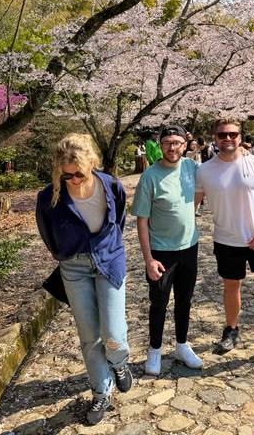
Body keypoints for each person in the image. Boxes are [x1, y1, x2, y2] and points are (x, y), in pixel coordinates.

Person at [36, 133, 132, 426]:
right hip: (74, 267)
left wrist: (108, 248)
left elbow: (119, 219)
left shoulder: (111, 185)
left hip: (109, 261)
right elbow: (47, 233)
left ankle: (118, 364)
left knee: (113, 333)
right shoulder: (49, 196)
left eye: (79, 173)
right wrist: (65, 253)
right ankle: (101, 390)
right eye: (67, 176)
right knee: (90, 336)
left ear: (92, 164)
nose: (74, 180)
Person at [195, 118, 254, 373]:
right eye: (222, 135)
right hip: (226, 240)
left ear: (240, 136)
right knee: (231, 287)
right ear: (215, 137)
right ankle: (231, 329)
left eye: (232, 134)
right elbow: (193, 203)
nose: (227, 139)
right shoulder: (205, 170)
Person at [132, 124, 202, 376]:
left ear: (185, 145)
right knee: (159, 303)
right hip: (161, 251)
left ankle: (182, 345)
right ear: (160, 145)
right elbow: (141, 220)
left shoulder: (192, 167)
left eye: (177, 143)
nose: (172, 147)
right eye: (167, 143)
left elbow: (214, 179)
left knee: (184, 299)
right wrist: (148, 259)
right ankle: (155, 350)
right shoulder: (150, 176)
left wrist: (243, 155)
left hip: (189, 247)